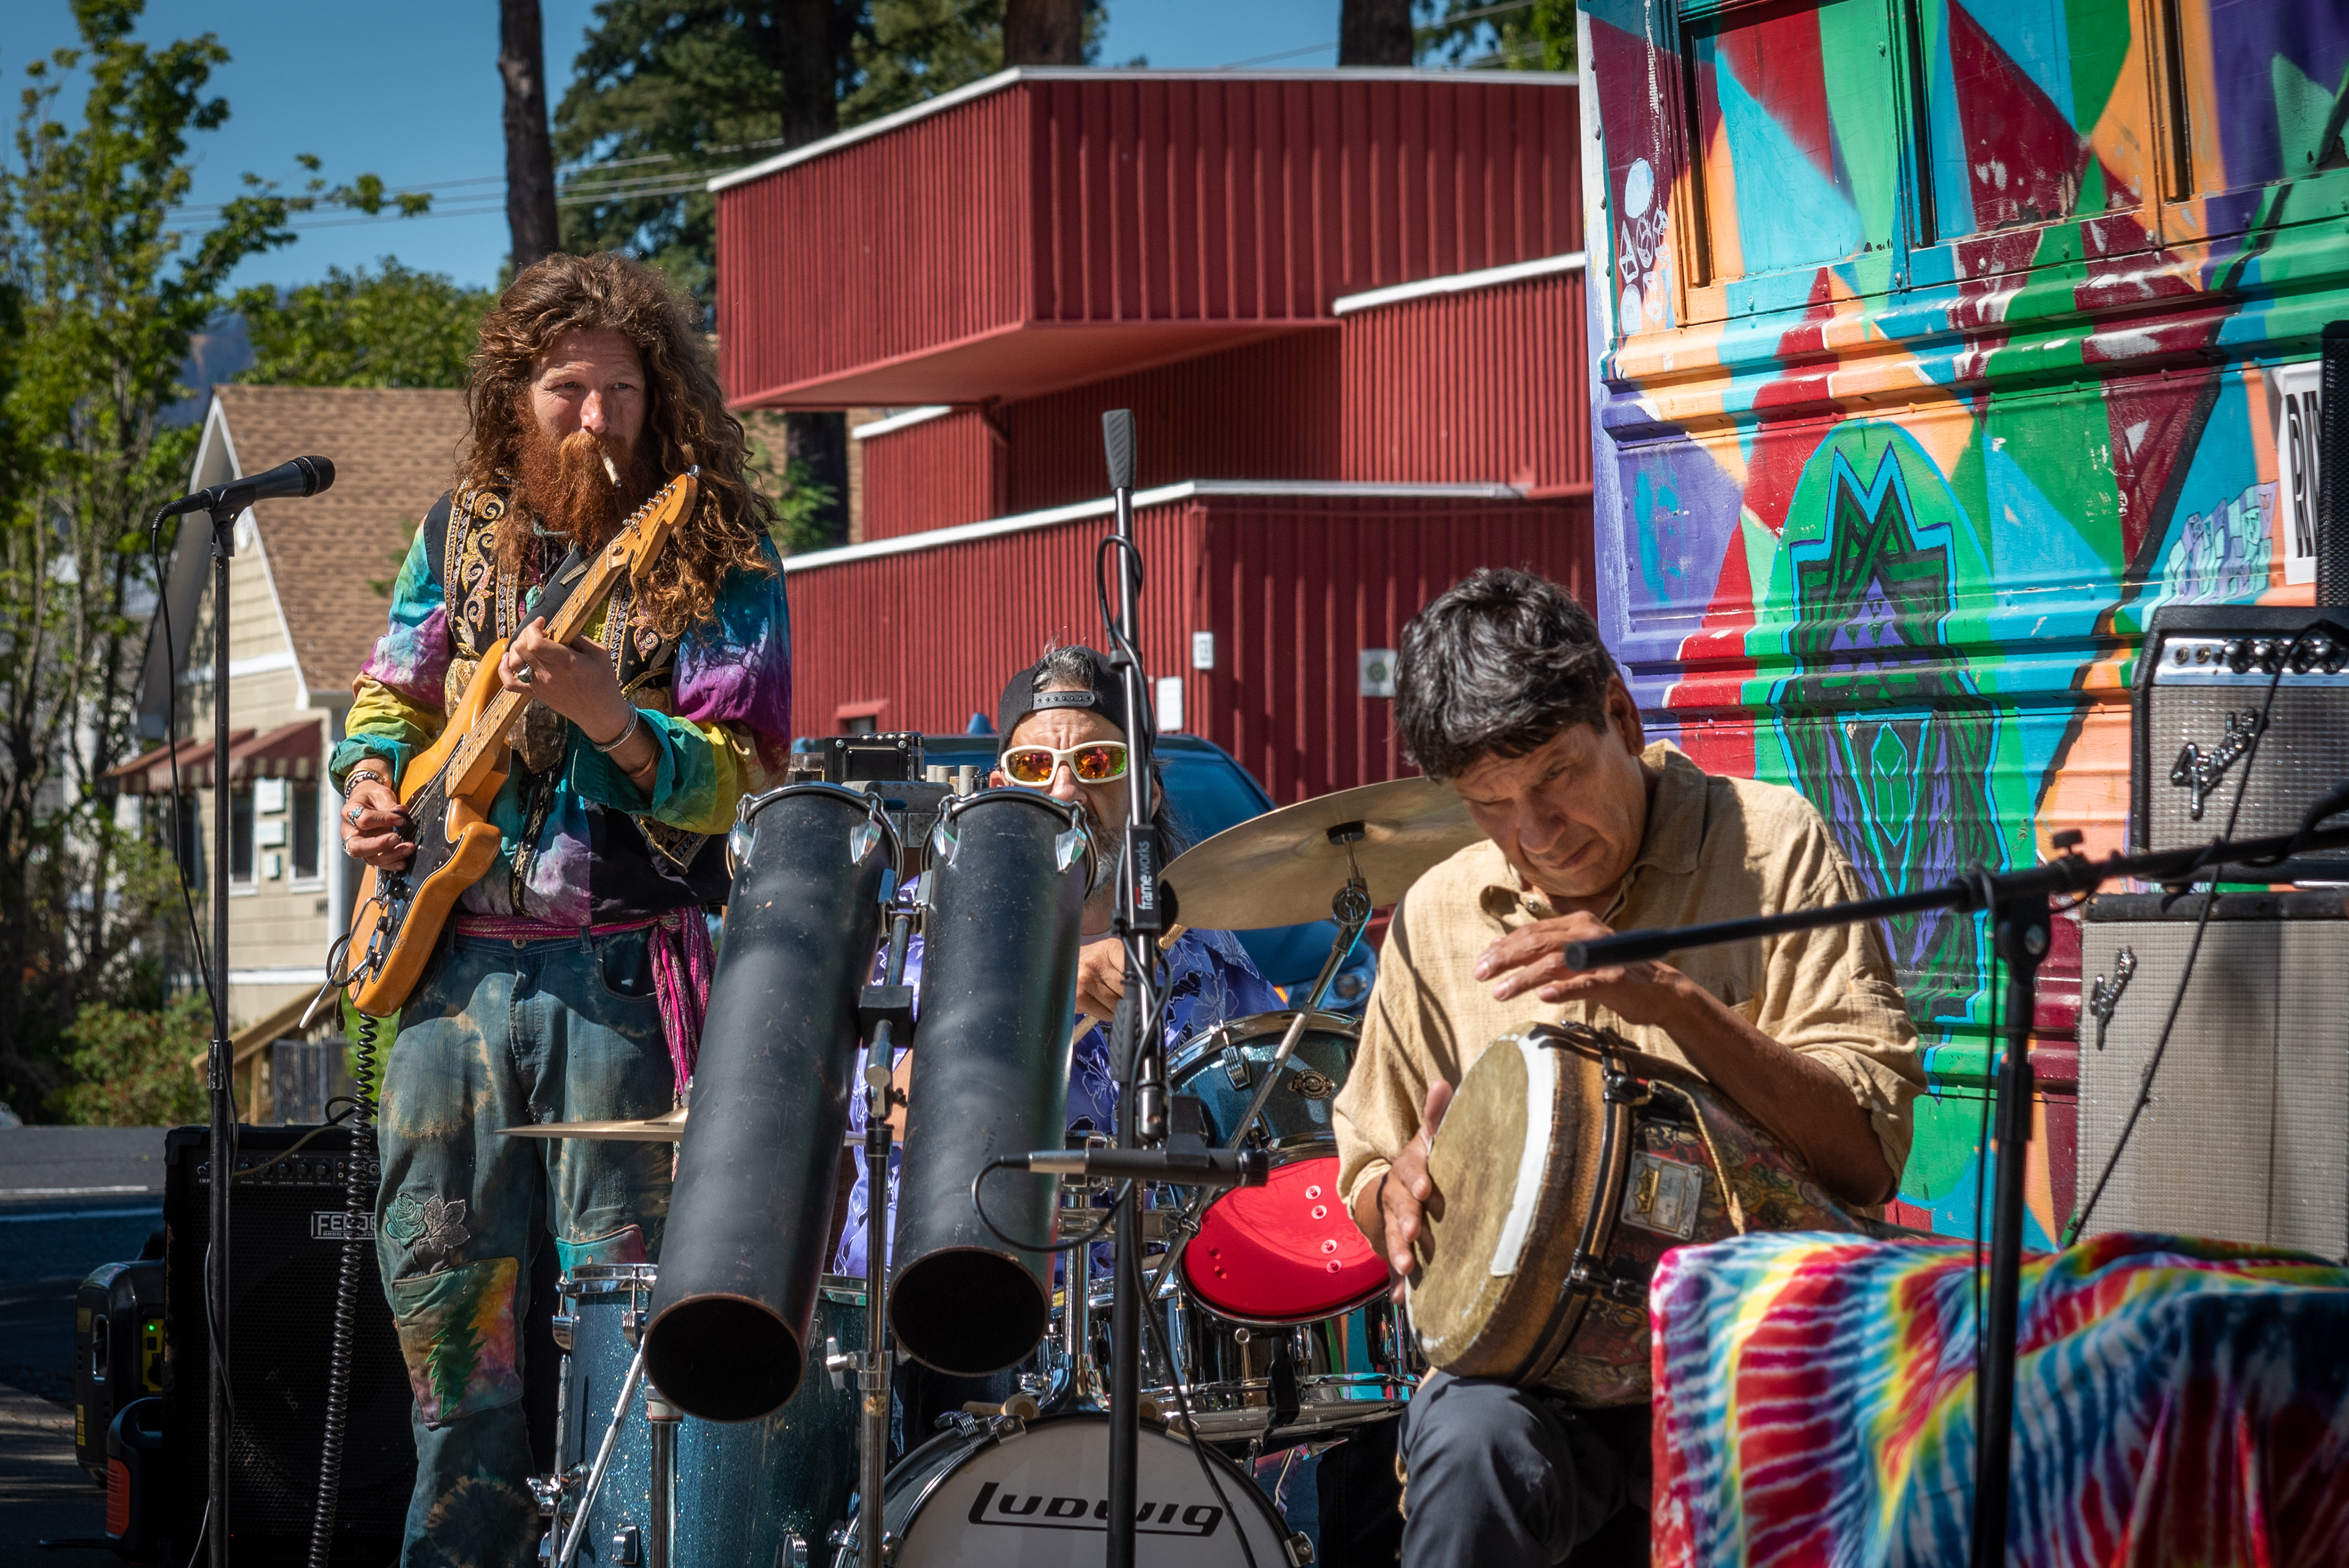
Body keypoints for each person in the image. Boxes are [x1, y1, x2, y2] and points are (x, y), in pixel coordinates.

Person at [334, 251, 792, 1567]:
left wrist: (614, 723)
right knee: (445, 1332)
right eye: (566, 388)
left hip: (619, 983)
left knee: (627, 1340)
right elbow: (391, 693)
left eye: (624, 392)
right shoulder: (457, 529)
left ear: (666, 402)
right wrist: (374, 784)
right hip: (445, 977)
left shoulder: (718, 549)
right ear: (513, 394)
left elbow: (744, 776)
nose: (595, 419)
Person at [1332, 568, 1923, 1566]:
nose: (1534, 832)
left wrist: (1673, 1002)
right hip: (1541, 1379)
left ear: (1619, 710)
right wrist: (1396, 1189)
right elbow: (1370, 1163)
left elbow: (1867, 1164)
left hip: (1759, 1349)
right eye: (1491, 804)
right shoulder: (1437, 916)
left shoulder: (1770, 848)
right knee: (1467, 1444)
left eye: (1556, 776)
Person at [832, 644, 1285, 1444]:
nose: (1067, 788)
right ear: (1004, 784)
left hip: (1158, 1326)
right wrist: (1039, 995)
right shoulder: (921, 923)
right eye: (1037, 762)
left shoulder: (1205, 947)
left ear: (1142, 786)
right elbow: (878, 1108)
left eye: (1098, 760)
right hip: (950, 1307)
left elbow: (1267, 1123)